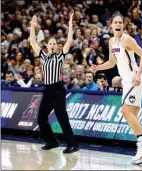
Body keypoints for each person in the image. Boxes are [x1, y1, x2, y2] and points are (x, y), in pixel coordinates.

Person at [91, 12, 142, 165]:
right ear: (111, 25)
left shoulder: (127, 39)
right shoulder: (112, 41)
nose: (118, 25)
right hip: (126, 81)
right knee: (132, 115)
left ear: (123, 25)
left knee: (125, 111)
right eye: (115, 22)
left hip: (134, 78)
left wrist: (138, 75)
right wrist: (98, 67)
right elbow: (112, 63)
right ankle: (141, 148)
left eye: (120, 22)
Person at [29, 13, 79, 153]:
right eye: (50, 43)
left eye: (54, 44)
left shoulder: (60, 55)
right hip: (47, 89)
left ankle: (73, 144)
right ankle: (51, 142)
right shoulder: (43, 56)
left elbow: (69, 41)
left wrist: (70, 25)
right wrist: (32, 27)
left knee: (61, 117)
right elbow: (33, 42)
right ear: (47, 45)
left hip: (58, 89)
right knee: (41, 118)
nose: (52, 45)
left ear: (57, 46)